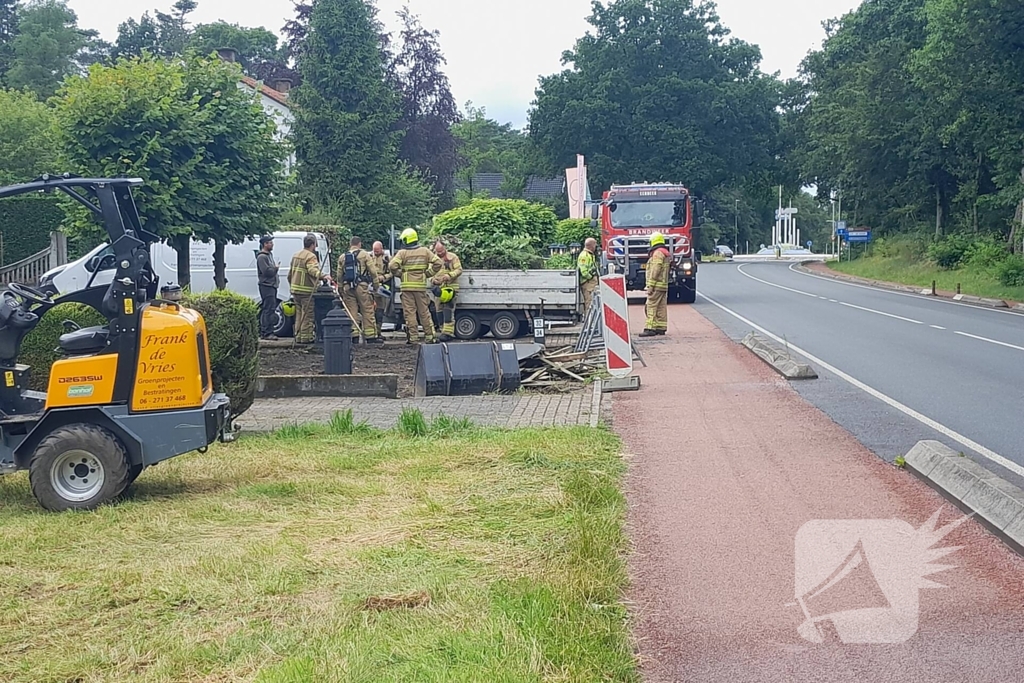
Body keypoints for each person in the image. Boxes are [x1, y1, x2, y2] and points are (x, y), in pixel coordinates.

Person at [390, 228, 442, 344]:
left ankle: (413, 338)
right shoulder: (424, 251)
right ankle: (430, 337)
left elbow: (392, 266)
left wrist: (400, 274)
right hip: (420, 287)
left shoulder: (402, 253)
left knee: (410, 313)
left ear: (405, 240)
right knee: (424, 312)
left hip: (407, 288)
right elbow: (438, 263)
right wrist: (428, 274)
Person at [339, 236, 381, 343]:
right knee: (367, 310)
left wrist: (340, 289)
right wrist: (376, 286)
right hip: (362, 287)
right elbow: (373, 272)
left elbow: (339, 275)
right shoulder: (364, 255)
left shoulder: (343, 257)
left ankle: (354, 336)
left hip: (348, 287)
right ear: (360, 244)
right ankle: (370, 336)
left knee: (351, 312)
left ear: (350, 244)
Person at [288, 234, 328, 344]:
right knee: (308, 315)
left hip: (295, 290)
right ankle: (306, 338)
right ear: (313, 244)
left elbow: (290, 273)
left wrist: (291, 285)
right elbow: (312, 270)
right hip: (306, 291)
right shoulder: (311, 256)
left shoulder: (296, 255)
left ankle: (298, 336)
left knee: (299, 314)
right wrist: (323, 276)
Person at [432, 241, 463, 342]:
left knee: (448, 310)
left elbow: (459, 270)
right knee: (439, 311)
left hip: (451, 288)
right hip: (439, 289)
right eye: (438, 252)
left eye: (441, 251)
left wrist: (449, 276)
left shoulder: (452, 257)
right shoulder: (433, 259)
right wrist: (433, 280)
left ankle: (448, 333)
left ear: (445, 248)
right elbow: (429, 272)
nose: (440, 253)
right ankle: (442, 331)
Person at [640, 232, 670, 337]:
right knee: (661, 306)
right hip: (663, 285)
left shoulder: (657, 253)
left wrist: (650, 285)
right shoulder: (664, 253)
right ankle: (661, 327)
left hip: (656, 285)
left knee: (650, 305)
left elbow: (655, 269)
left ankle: (650, 328)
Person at [256, 235, 280, 340]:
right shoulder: (262, 257)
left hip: (271, 286)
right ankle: (266, 332)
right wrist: (275, 268)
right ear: (265, 244)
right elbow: (267, 272)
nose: (272, 244)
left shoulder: (268, 255)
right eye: (270, 242)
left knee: (271, 308)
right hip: (267, 286)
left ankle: (269, 331)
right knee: (268, 309)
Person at [370, 241, 391, 339]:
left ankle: (378, 331)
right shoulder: (369, 257)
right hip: (370, 287)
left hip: (381, 288)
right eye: (374, 251)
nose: (376, 252)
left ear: (381, 249)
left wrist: (383, 277)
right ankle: (372, 332)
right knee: (370, 311)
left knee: (380, 311)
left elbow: (391, 273)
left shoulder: (386, 259)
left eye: (377, 251)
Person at [577, 237, 599, 317]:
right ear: (591, 246)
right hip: (587, 284)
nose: (596, 247)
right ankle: (589, 321)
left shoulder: (589, 255)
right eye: (595, 245)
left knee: (592, 302)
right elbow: (584, 272)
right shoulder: (584, 256)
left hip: (590, 283)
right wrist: (591, 276)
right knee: (589, 302)